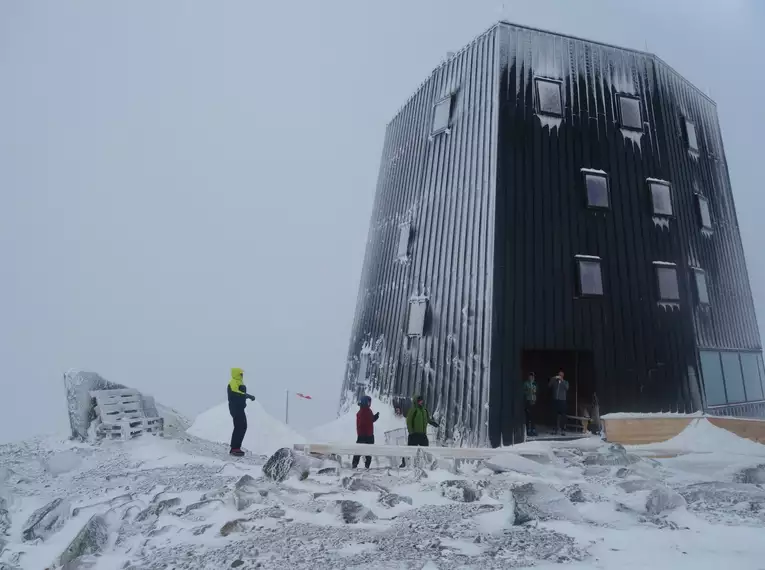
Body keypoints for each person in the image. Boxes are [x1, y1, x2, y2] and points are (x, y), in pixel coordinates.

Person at [227, 367, 255, 457]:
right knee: (239, 426)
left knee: (243, 426)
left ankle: (237, 447)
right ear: (236, 374)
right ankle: (234, 448)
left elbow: (240, 393)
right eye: (240, 373)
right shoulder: (233, 382)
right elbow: (236, 393)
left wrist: (245, 397)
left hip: (240, 408)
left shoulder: (239, 382)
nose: (242, 375)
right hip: (235, 408)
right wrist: (247, 395)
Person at [352, 395, 379, 469]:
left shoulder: (364, 411)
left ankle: (356, 464)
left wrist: (375, 417)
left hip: (363, 435)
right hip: (367, 435)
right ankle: (366, 465)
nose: (369, 404)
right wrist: (374, 417)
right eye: (368, 402)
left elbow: (369, 420)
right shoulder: (365, 411)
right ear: (365, 402)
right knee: (367, 451)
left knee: (359, 450)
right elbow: (368, 420)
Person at [548, 370, 569, 435]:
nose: (560, 376)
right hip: (555, 400)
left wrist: (562, 380)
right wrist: (553, 378)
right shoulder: (555, 382)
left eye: (561, 375)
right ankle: (555, 429)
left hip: (562, 400)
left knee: (562, 415)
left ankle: (563, 430)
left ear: (563, 376)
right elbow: (549, 385)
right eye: (559, 375)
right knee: (555, 415)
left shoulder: (565, 382)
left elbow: (567, 388)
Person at [523, 372, 537, 437]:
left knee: (533, 416)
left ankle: (533, 429)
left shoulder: (535, 384)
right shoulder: (526, 383)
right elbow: (523, 391)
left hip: (533, 401)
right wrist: (528, 392)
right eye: (530, 376)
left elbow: (537, 391)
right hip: (528, 401)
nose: (531, 378)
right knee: (528, 416)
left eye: (532, 376)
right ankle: (528, 429)